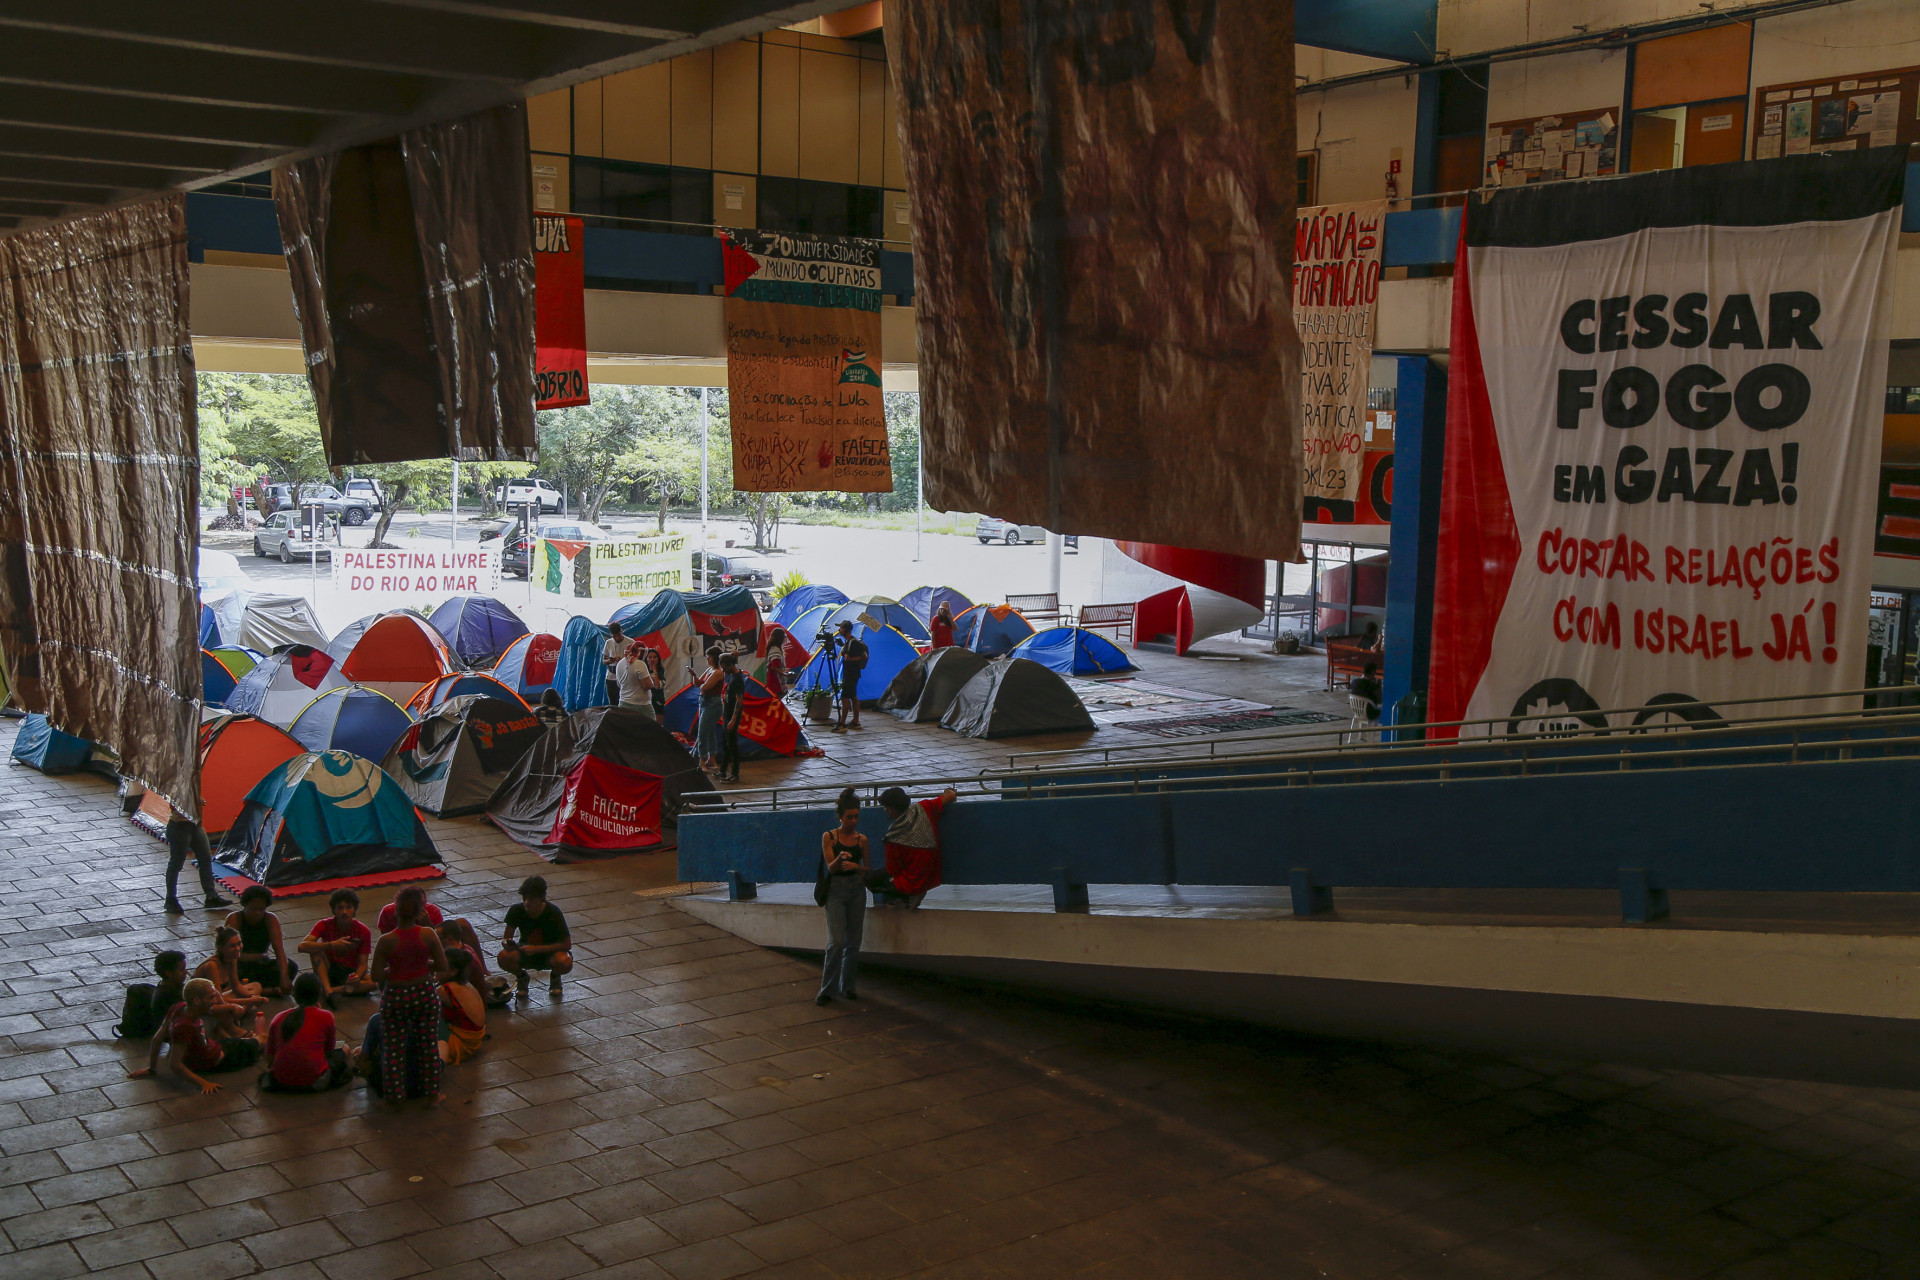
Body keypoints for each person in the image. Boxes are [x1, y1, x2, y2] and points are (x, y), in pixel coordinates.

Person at [369, 887, 449, 1103]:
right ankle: (432, 1095)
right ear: (420, 911)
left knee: (393, 1050)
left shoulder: (387, 940)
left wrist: (391, 969)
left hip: (395, 995)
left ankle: (395, 1098)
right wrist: (424, 963)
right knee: (428, 1046)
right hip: (423, 992)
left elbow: (376, 974)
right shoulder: (427, 934)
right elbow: (442, 965)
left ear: (396, 911)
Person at [127, 977, 260, 1093]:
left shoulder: (178, 1007)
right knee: (262, 1040)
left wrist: (152, 1068)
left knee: (250, 1039)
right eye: (211, 997)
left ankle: (243, 1040)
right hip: (224, 1059)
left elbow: (157, 1039)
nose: (215, 1001)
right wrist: (204, 1083)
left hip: (216, 1047)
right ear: (196, 1000)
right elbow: (175, 1065)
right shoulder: (185, 1026)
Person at [817, 789, 869, 1005]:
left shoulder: (861, 840)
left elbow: (868, 869)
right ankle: (827, 990)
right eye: (849, 817)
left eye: (856, 816)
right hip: (836, 891)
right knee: (837, 941)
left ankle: (848, 986)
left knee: (853, 941)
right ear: (840, 816)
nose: (853, 821)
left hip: (856, 890)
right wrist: (839, 859)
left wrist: (857, 866)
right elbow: (831, 867)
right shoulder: (830, 837)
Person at [262, 972, 352, 1092]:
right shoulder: (326, 1016)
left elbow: (269, 1057)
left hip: (281, 1081)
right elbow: (328, 1050)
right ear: (318, 995)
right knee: (345, 1048)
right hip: (314, 1082)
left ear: (295, 994)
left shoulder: (279, 1018)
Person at [877, 785, 957, 909]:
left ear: (891, 809)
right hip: (931, 874)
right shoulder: (924, 808)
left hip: (910, 882)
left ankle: (902, 900)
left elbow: (892, 868)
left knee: (873, 879)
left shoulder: (892, 836)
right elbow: (951, 796)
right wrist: (947, 790)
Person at [498, 875, 573, 998]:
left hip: (549, 952)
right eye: (525, 898)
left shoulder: (553, 912)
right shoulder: (516, 910)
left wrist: (536, 949)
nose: (527, 902)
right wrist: (508, 945)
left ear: (542, 898)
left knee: (564, 960)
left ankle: (555, 977)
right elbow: (506, 938)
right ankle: (521, 977)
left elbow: (566, 944)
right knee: (503, 957)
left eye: (532, 899)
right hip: (525, 951)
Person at [299, 889, 375, 1004]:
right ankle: (330, 991)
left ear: (354, 910)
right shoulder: (324, 924)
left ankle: (329, 990)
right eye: (340, 908)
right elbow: (302, 946)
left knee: (373, 982)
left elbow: (363, 964)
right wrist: (332, 945)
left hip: (349, 972)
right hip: (329, 969)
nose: (345, 912)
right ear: (334, 910)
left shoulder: (363, 931)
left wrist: (357, 976)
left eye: (349, 907)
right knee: (315, 950)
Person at [225, 885, 291, 997]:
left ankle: (249, 989)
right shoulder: (235, 919)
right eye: (253, 909)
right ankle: (266, 990)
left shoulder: (270, 919)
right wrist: (258, 956)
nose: (257, 913)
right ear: (245, 905)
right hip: (238, 965)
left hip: (259, 966)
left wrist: (284, 978)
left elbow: (279, 951)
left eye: (261, 909)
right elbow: (227, 954)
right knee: (226, 975)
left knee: (290, 966)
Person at [195, 926, 268, 1024]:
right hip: (207, 1004)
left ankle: (241, 1012)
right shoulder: (212, 965)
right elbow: (217, 999)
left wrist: (252, 997)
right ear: (221, 948)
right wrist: (249, 1001)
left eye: (239, 943)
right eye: (232, 946)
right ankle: (242, 1012)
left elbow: (236, 986)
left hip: (220, 997)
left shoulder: (232, 957)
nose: (238, 948)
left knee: (256, 986)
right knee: (236, 1009)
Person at [163, 810, 231, 914]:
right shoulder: (178, 793)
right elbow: (174, 804)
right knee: (176, 863)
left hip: (195, 824)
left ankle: (211, 896)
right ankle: (170, 899)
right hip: (179, 825)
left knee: (205, 859)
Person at [439, 951, 487, 1064]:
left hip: (460, 1044)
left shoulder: (444, 990)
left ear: (453, 971)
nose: (435, 967)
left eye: (440, 965)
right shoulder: (466, 984)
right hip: (474, 1043)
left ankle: (439, 1058)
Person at [834, 622, 867, 733]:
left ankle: (842, 723)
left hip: (851, 674)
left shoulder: (853, 643)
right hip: (852, 674)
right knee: (853, 697)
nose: (839, 630)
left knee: (844, 698)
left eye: (841, 628)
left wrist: (846, 656)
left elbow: (854, 656)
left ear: (845, 629)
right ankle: (855, 721)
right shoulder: (849, 642)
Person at [718, 651, 745, 782]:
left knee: (732, 745)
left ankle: (735, 774)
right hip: (727, 713)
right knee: (725, 743)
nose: (723, 670)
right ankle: (722, 770)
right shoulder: (731, 674)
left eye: (724, 667)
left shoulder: (738, 678)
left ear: (729, 665)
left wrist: (733, 719)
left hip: (732, 716)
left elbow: (740, 700)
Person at [696, 647, 724, 769]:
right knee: (711, 732)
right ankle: (712, 759)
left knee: (702, 733)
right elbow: (697, 683)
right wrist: (693, 675)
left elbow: (705, 687)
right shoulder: (709, 670)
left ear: (715, 658)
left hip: (713, 703)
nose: (707, 658)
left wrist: (700, 683)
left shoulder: (718, 672)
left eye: (709, 656)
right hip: (704, 702)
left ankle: (702, 759)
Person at [618, 638, 660, 719]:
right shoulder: (639, 664)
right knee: (651, 729)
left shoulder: (620, 663)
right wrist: (650, 679)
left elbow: (619, 684)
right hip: (641, 706)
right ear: (639, 652)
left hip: (623, 703)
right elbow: (648, 686)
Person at [148, 950, 187, 1029]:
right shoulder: (169, 994)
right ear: (168, 973)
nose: (186, 972)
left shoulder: (171, 985)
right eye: (182, 969)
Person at [601, 621, 626, 707]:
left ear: (621, 631)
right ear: (611, 635)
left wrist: (623, 660)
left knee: (624, 701)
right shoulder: (608, 642)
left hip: (625, 675)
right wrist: (610, 661)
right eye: (614, 636)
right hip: (611, 676)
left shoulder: (630, 642)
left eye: (618, 635)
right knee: (613, 703)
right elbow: (604, 660)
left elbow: (636, 660)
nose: (617, 638)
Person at [762, 628, 788, 698]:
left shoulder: (772, 648)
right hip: (776, 680)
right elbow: (774, 666)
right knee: (776, 699)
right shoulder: (776, 650)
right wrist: (784, 674)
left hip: (772, 679)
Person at [644, 647, 668, 718]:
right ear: (646, 659)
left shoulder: (661, 671)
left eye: (654, 657)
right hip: (646, 701)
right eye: (650, 657)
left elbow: (658, 686)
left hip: (658, 701)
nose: (652, 659)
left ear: (658, 659)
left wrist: (655, 671)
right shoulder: (643, 671)